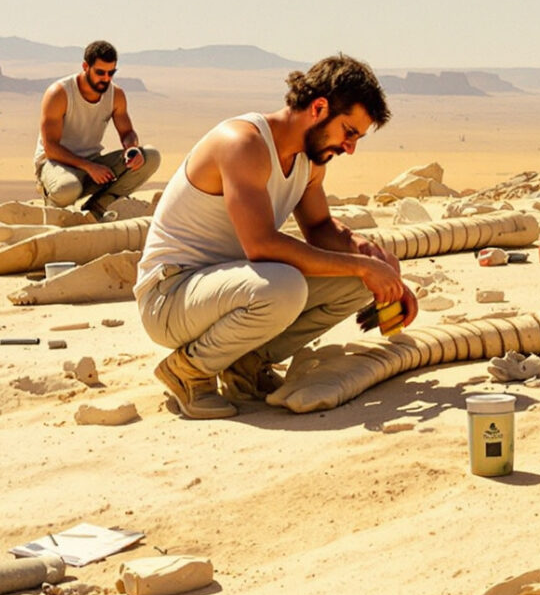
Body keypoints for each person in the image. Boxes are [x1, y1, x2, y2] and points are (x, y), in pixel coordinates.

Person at [133, 54, 413, 419]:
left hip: (228, 290)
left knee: (357, 281)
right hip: (169, 297)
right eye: (348, 131)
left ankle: (245, 365)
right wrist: (362, 265)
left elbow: (320, 229)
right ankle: (189, 372)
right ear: (319, 107)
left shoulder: (309, 160)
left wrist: (374, 261)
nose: (350, 148)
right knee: (284, 286)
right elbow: (261, 245)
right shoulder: (243, 143)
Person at [34, 40, 161, 214]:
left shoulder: (115, 95)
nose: (106, 78)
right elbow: (51, 149)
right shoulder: (59, 94)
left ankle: (97, 209)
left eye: (111, 73)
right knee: (67, 189)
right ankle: (53, 204)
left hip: (93, 165)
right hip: (57, 164)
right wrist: (89, 167)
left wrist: (132, 149)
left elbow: (127, 132)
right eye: (100, 72)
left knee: (151, 156)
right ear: (86, 66)